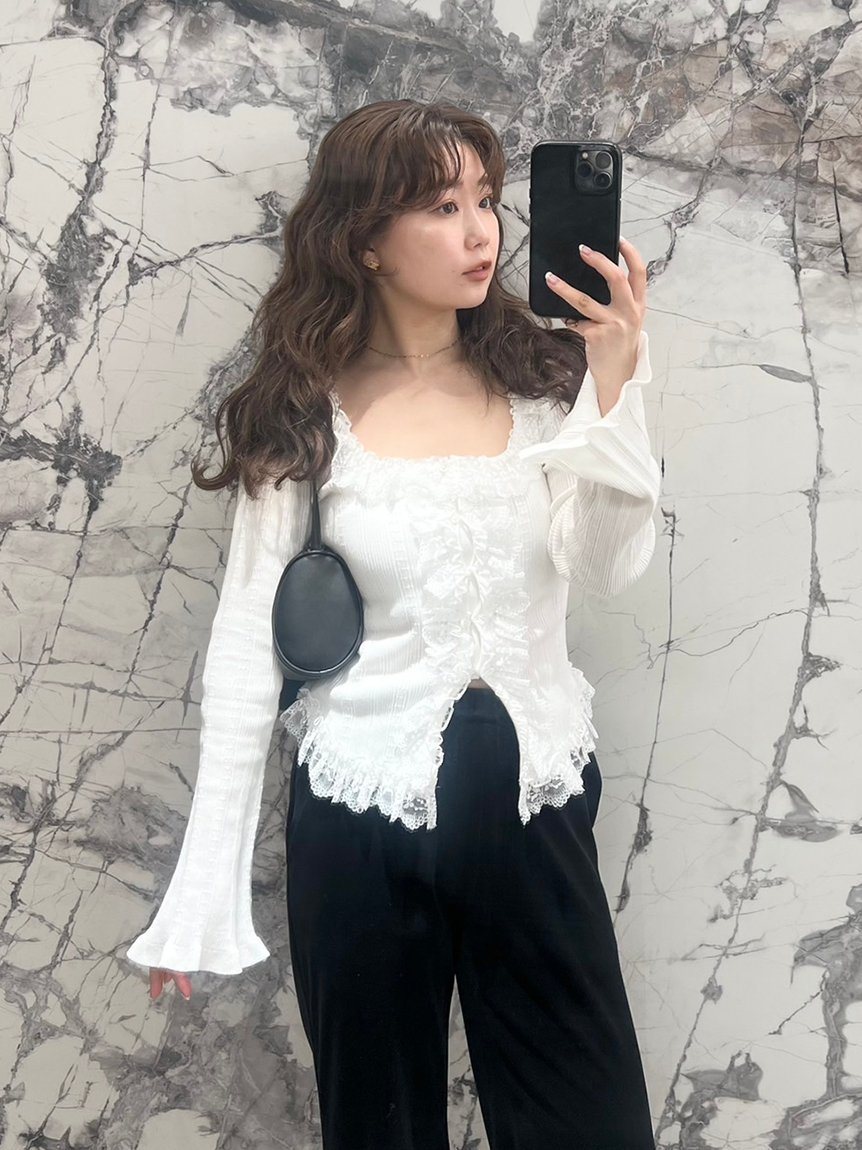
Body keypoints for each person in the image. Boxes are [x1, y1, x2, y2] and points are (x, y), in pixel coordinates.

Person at [125, 98, 660, 1149]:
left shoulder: (550, 384)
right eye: (441, 207)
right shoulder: (303, 411)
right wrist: (201, 890)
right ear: (365, 239)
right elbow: (246, 648)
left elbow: (606, 565)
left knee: (591, 1125)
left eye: (486, 201)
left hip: (534, 805)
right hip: (361, 813)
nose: (480, 233)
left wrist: (617, 389)